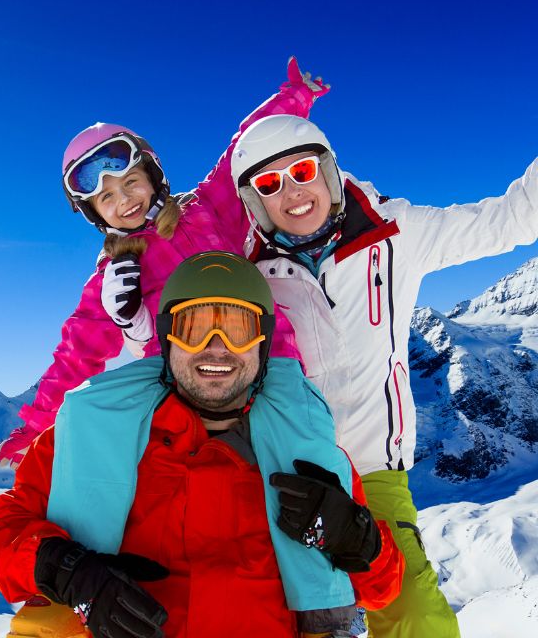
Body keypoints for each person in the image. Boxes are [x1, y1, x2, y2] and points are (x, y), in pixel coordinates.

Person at [0, 252, 403, 638]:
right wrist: (66, 569)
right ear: (166, 340)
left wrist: (358, 538)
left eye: (238, 329)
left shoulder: (307, 453)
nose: (216, 347)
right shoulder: (93, 435)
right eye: (193, 328)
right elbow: (0, 531)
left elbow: (383, 589)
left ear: (262, 342)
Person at [229, 111, 538, 638]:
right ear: (255, 204)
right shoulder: (248, 272)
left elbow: (509, 219)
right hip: (284, 474)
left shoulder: (395, 234)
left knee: (414, 614)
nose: (291, 193)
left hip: (372, 468)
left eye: (302, 172)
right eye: (268, 184)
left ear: (327, 172)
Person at [0, 59, 328, 467]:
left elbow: (244, 147)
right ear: (95, 213)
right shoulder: (116, 275)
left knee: (302, 454)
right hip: (187, 388)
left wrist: (296, 96)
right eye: (108, 197)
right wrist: (35, 427)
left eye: (130, 182)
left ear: (153, 177)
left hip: (268, 358)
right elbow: (76, 353)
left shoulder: (207, 209)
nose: (125, 200)